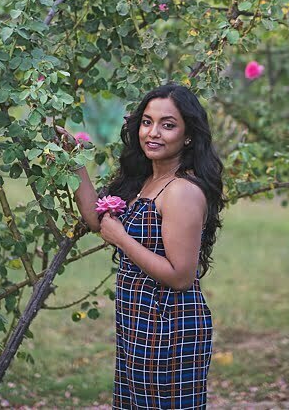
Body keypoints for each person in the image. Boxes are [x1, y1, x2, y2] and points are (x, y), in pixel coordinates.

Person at [59, 83, 224, 409]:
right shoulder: (144, 179)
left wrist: (121, 239)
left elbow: (180, 277)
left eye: (168, 124)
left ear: (188, 134)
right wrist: (73, 160)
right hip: (138, 319)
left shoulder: (182, 191)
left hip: (170, 325)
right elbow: (98, 219)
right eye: (147, 122)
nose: (154, 132)